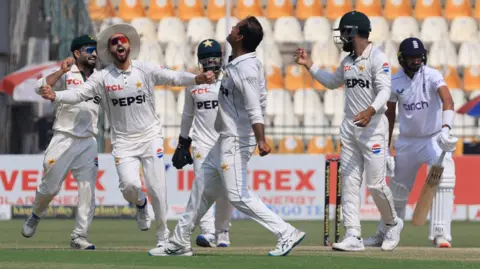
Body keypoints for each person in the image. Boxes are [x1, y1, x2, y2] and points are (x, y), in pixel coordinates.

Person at [38, 24, 216, 248]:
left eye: (122, 40)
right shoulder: (102, 77)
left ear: (129, 46)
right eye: (114, 42)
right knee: (130, 186)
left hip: (150, 136)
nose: (119, 44)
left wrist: (195, 79)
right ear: (110, 51)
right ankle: (140, 204)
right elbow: (79, 94)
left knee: (157, 189)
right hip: (123, 141)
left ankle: (162, 236)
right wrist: (56, 95)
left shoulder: (145, 69)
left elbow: (173, 77)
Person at [148, 16, 305, 257]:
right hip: (225, 137)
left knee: (237, 194)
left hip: (237, 138)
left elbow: (254, 107)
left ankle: (286, 232)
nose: (230, 30)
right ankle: (179, 242)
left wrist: (261, 139)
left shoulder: (247, 68)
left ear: (240, 36)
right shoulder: (237, 62)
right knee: (201, 189)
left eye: (235, 28)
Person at [295, 11, 403, 252]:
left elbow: (386, 92)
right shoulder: (347, 62)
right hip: (349, 130)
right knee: (350, 183)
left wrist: (371, 110)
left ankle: (392, 223)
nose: (342, 37)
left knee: (375, 185)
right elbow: (332, 82)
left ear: (355, 32)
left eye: (344, 32)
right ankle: (353, 234)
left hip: (373, 129)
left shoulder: (378, 58)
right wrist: (309, 65)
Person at [364, 37, 458, 248]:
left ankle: (441, 234)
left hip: (434, 139)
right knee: (397, 191)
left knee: (445, 178)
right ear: (402, 59)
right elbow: (389, 115)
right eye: (411, 57)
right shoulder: (395, 82)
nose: (416, 61)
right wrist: (386, 150)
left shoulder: (433, 75)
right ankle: (384, 234)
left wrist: (446, 129)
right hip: (407, 142)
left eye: (418, 57)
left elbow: (448, 100)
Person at [22, 35, 100, 250]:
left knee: (87, 190)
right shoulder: (67, 73)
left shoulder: (101, 77)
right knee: (49, 188)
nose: (94, 53)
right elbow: (40, 88)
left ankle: (79, 236)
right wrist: (61, 71)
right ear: (77, 53)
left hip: (88, 141)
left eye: (95, 49)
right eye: (89, 49)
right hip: (63, 137)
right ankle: (36, 214)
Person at [172, 38, 234, 248]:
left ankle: (222, 231)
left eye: (214, 59)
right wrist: (183, 142)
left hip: (224, 142)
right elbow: (188, 114)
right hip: (201, 143)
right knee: (201, 186)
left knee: (227, 188)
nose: (210, 64)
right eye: (205, 60)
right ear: (200, 61)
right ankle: (207, 232)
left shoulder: (228, 79)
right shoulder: (193, 82)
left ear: (221, 59)